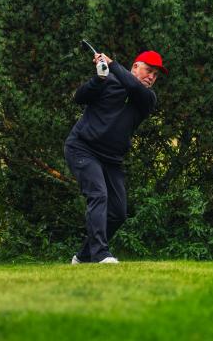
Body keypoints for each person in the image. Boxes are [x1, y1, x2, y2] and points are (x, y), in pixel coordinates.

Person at [64, 49, 167, 264]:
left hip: (111, 158)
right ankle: (101, 254)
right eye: (148, 71)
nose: (151, 77)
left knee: (118, 213)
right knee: (98, 194)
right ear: (135, 67)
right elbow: (79, 97)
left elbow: (133, 87)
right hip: (82, 148)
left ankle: (83, 257)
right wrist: (99, 78)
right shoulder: (108, 81)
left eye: (155, 75)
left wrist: (111, 64)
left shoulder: (148, 98)